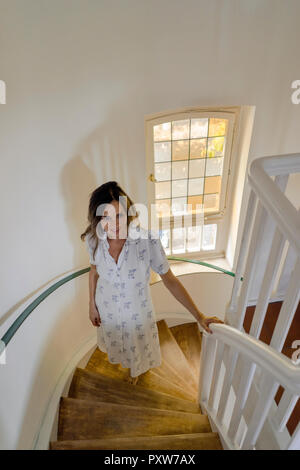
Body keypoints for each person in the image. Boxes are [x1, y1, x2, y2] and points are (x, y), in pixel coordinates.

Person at [81, 181, 224, 385]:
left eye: (119, 215)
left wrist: (199, 316)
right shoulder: (93, 240)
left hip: (138, 315)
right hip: (108, 310)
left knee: (136, 350)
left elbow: (170, 280)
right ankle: (126, 365)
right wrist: (91, 305)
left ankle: (136, 372)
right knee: (118, 345)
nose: (114, 224)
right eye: (106, 217)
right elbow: (93, 270)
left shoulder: (147, 241)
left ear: (128, 213)